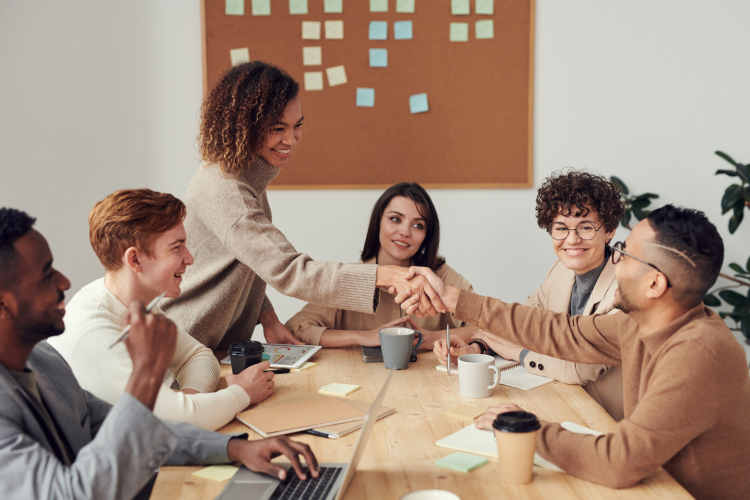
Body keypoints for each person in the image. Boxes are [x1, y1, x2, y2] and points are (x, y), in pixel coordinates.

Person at [401, 205, 750, 499]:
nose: (615, 259)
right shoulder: (640, 324)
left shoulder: (697, 352)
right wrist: (454, 299)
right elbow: (559, 331)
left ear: (655, 284)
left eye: (625, 253)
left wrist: (525, 428)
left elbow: (620, 461)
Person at [0, 208, 319, 500]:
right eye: (46, 275)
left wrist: (234, 448)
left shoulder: (44, 362)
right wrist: (147, 373)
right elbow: (75, 495)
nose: (65, 281)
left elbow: (134, 429)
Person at [161, 61, 443, 350]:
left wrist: (267, 316)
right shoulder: (227, 189)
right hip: (183, 346)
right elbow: (290, 270)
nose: (292, 139)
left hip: (210, 347)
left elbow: (248, 260)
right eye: (277, 128)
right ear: (245, 127)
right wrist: (382, 275)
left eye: (298, 126)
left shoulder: (243, 177)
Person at [48, 190, 272, 431]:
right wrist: (242, 392)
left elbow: (198, 356)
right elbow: (171, 424)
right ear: (134, 260)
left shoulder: (136, 303)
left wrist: (189, 401)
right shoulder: (94, 330)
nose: (189, 259)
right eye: (177, 248)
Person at [435, 170, 626, 420]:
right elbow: (521, 323)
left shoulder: (625, 287)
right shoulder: (559, 271)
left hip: (607, 420)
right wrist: (478, 347)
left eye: (586, 227)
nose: (572, 239)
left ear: (609, 230)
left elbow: (579, 369)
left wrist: (518, 353)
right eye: (560, 228)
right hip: (562, 402)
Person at [286, 182, 477, 348]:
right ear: (378, 222)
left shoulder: (443, 278)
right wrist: (362, 336)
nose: (405, 231)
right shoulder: (350, 279)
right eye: (395, 219)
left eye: (418, 225)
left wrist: (436, 337)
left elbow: (489, 327)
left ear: (427, 235)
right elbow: (296, 328)